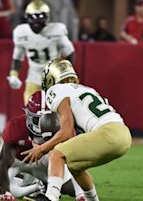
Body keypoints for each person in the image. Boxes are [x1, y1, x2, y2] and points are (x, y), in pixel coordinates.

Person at [21, 59, 132, 201]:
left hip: (107, 133)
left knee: (57, 154)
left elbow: (66, 132)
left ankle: (50, 197)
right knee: (74, 167)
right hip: (123, 134)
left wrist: (41, 148)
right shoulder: (87, 89)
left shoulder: (55, 90)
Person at [0, 91, 85, 201]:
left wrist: (80, 193)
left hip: (46, 163)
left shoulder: (64, 129)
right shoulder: (16, 126)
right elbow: (2, 162)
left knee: (71, 189)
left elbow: (74, 162)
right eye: (37, 119)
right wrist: (5, 192)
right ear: (27, 115)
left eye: (49, 118)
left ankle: (43, 186)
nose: (42, 123)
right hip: (18, 162)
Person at [7, 0, 75, 104]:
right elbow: (17, 57)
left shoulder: (57, 31)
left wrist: (64, 74)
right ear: (27, 17)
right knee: (30, 112)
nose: (37, 22)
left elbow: (70, 53)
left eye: (40, 17)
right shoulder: (21, 33)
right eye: (34, 17)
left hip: (54, 76)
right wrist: (13, 75)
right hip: (34, 76)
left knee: (57, 112)